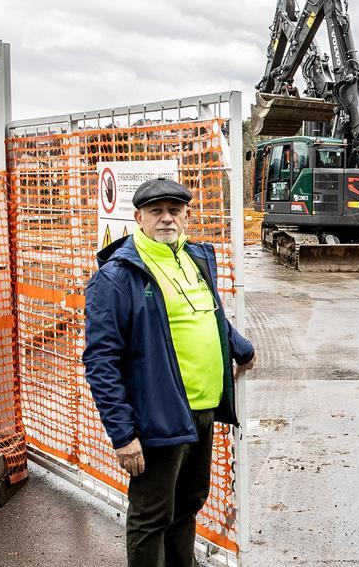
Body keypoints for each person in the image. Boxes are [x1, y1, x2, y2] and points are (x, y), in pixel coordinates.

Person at [83, 177, 255, 566]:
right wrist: (124, 436)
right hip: (158, 417)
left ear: (186, 216)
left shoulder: (193, 258)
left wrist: (241, 349)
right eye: (156, 211)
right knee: (151, 516)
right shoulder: (118, 276)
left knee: (188, 503)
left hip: (203, 410)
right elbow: (100, 362)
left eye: (174, 211)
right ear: (138, 217)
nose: (166, 219)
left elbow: (209, 316)